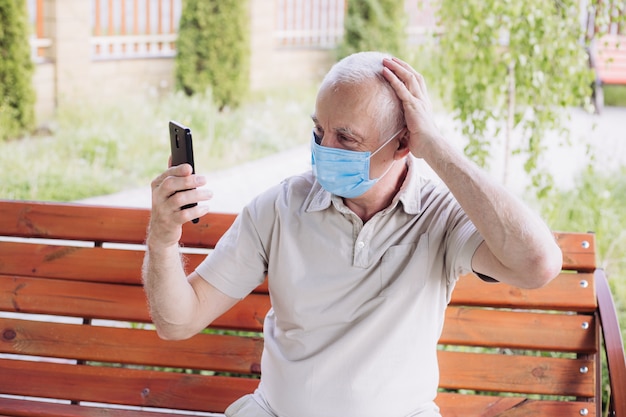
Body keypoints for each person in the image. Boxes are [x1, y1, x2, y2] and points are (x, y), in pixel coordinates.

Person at [143, 52, 563, 417]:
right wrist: (163, 236)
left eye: (345, 137)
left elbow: (537, 265)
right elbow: (178, 322)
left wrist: (435, 145)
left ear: (402, 144)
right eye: (319, 130)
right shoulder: (280, 207)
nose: (324, 148)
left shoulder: (443, 215)